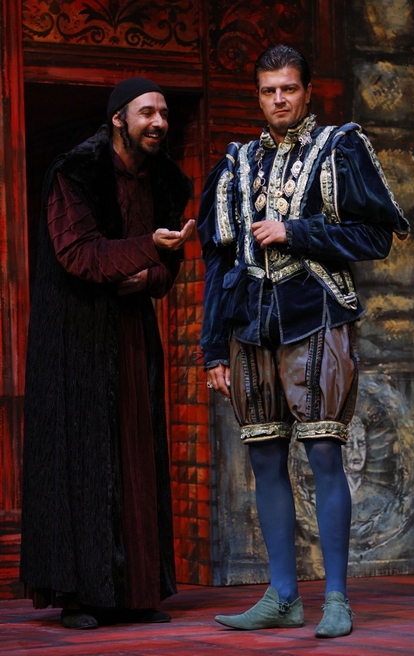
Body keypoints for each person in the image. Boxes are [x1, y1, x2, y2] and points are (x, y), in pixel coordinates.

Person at [198, 45, 409, 639]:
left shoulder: (338, 148)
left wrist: (295, 230)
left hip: (316, 317)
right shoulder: (238, 162)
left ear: (308, 91)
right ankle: (283, 596)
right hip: (249, 328)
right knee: (264, 456)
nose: (279, 100)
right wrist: (212, 348)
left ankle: (336, 599)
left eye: (288, 88)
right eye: (268, 91)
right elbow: (218, 261)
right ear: (258, 96)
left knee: (323, 453)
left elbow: (376, 237)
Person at [20, 77, 195, 629]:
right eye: (147, 113)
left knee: (137, 457)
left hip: (132, 333)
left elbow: (168, 267)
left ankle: (136, 592)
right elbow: (78, 253)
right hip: (77, 339)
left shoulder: (163, 178)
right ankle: (80, 595)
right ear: (119, 118)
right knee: (85, 460)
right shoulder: (76, 171)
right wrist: (147, 249)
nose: (159, 122)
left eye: (163, 113)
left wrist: (151, 272)